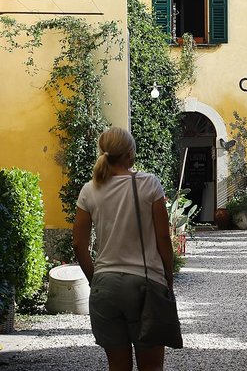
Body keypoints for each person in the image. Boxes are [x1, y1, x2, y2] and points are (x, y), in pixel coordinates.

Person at [73, 127, 174, 371]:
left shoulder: (89, 190)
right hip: (145, 284)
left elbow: (78, 244)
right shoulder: (149, 184)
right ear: (130, 154)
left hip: (105, 287)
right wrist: (168, 280)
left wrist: (95, 280)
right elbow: (162, 238)